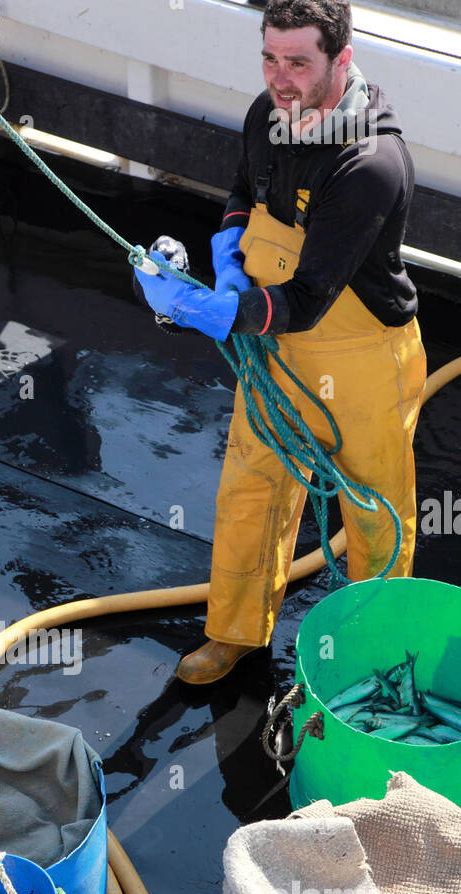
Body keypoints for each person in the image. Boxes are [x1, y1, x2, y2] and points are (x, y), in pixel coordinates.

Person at [134, 0, 426, 684]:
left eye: (299, 62)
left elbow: (309, 299)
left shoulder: (370, 163)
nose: (280, 77)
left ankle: (375, 660)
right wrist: (229, 246)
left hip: (357, 354)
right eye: (270, 57)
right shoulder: (267, 114)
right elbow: (244, 185)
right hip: (272, 341)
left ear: (341, 60)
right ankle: (235, 633)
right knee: (251, 487)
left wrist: (210, 310)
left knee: (374, 513)